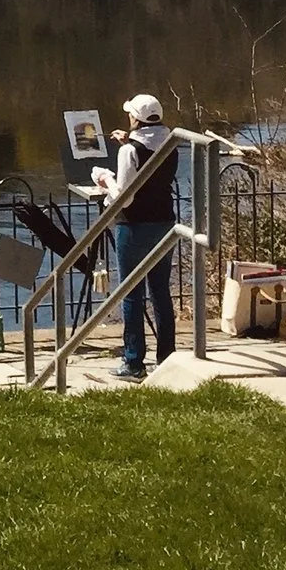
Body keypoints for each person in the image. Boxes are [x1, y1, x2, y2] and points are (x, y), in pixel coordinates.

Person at [94, 92, 177, 381]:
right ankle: (167, 356)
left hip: (135, 225)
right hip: (165, 222)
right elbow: (149, 160)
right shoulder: (170, 141)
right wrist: (126, 141)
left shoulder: (129, 151)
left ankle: (133, 362)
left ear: (136, 118)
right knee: (161, 292)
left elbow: (124, 197)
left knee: (132, 293)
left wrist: (105, 180)